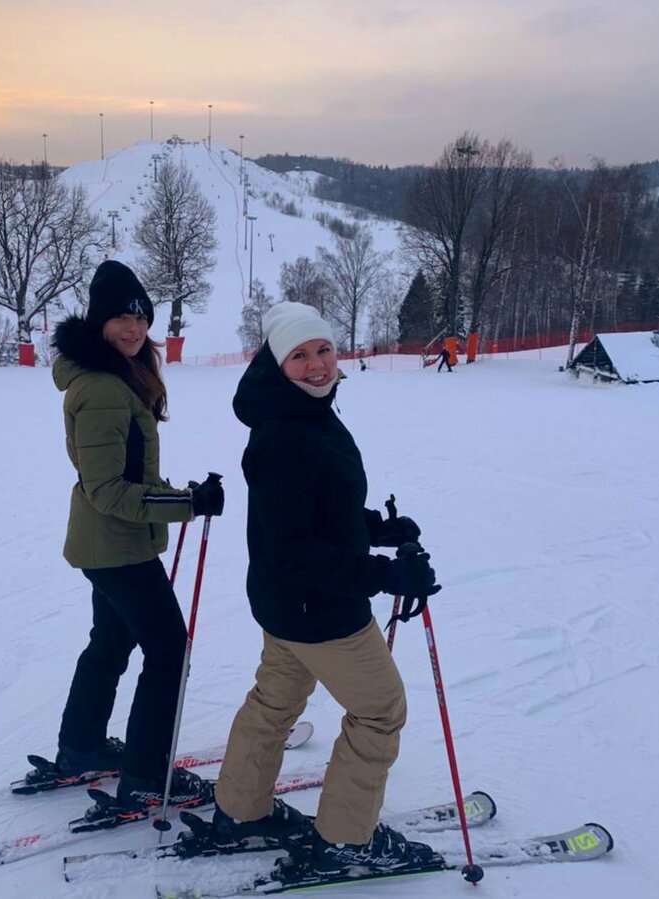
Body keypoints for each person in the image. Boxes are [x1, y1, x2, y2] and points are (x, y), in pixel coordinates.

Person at [210, 301, 442, 874]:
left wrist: (374, 529)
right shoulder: (288, 434)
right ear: (275, 361)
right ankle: (344, 840)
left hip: (285, 605)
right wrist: (387, 575)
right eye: (299, 356)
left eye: (324, 350)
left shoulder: (298, 413)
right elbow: (296, 551)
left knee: (275, 701)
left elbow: (310, 516)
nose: (317, 366)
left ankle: (240, 811)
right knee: (380, 710)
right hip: (320, 610)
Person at [47, 259, 225, 812]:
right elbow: (109, 491)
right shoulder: (101, 387)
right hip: (117, 545)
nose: (132, 328)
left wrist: (178, 494)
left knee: (112, 641)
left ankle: (82, 747)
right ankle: (147, 775)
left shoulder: (118, 375)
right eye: (121, 317)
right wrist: (187, 505)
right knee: (169, 649)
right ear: (99, 321)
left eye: (140, 317)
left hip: (107, 544)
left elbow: (130, 479)